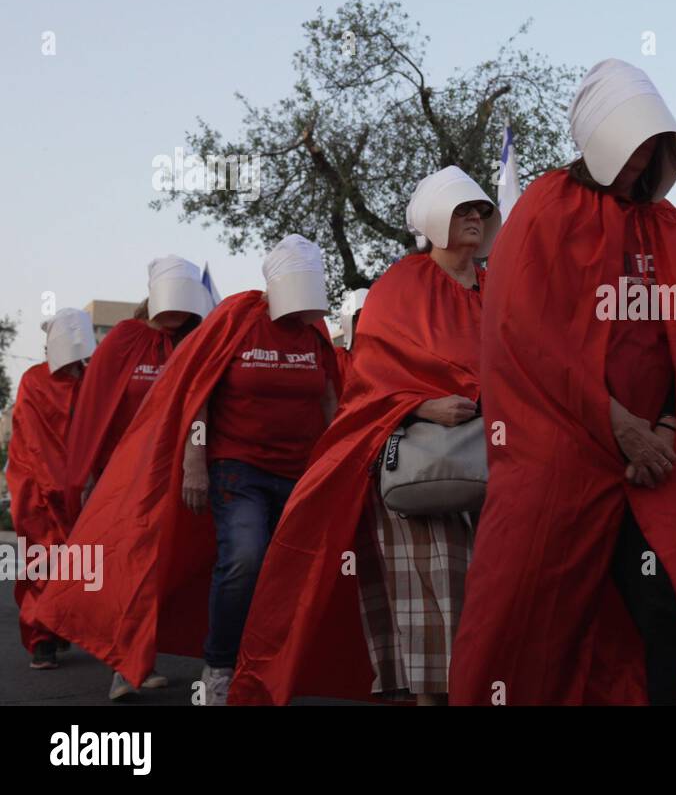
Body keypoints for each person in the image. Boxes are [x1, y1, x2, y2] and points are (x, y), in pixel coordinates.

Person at [450, 59, 676, 706]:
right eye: (629, 144)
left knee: (673, 609)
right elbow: (529, 336)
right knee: (527, 619)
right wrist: (618, 426)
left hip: (656, 461)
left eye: (650, 144)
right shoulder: (546, 209)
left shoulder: (672, 229)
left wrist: (661, 429)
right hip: (560, 451)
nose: (641, 159)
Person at [230, 167, 500, 706]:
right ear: (433, 220)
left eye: (480, 210)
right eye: (462, 209)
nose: (474, 217)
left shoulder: (501, 289)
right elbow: (367, 383)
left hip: (494, 464)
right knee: (437, 591)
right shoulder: (399, 286)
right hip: (422, 469)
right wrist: (421, 405)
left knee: (492, 591)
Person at [35, 235, 339, 705]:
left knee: (251, 569)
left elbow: (328, 398)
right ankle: (138, 659)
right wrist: (100, 474)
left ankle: (254, 667)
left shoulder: (246, 332)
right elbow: (101, 412)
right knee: (200, 560)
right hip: (167, 474)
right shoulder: (170, 334)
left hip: (270, 469)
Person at [64, 256, 208, 521]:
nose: (177, 309)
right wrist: (88, 473)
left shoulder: (196, 344)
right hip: (117, 472)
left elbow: (199, 412)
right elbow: (94, 409)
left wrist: (196, 460)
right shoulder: (123, 338)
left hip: (171, 474)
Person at [7, 308, 94, 670]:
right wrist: (56, 484)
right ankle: (42, 638)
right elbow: (33, 441)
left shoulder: (91, 380)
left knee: (79, 565)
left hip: (78, 486)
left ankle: (59, 625)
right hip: (36, 488)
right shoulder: (33, 380)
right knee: (42, 560)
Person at [333, 288, 368, 394]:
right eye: (360, 317)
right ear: (349, 322)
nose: (368, 321)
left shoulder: (389, 357)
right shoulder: (337, 359)